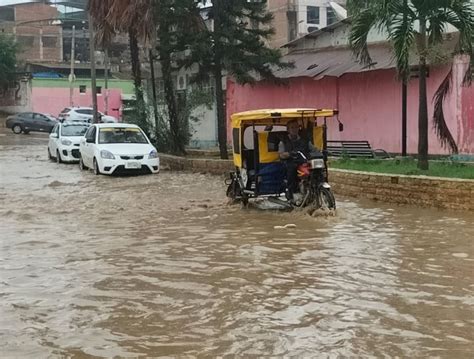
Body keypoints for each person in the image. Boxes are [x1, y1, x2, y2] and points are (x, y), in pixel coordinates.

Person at [278, 119, 319, 201]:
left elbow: (314, 149)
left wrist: (321, 152)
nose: (294, 129)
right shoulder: (283, 142)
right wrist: (289, 154)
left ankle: (315, 187)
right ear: (288, 129)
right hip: (290, 162)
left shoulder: (305, 141)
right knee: (291, 168)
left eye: (296, 127)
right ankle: (291, 191)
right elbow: (281, 154)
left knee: (317, 168)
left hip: (303, 162)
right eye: (292, 127)